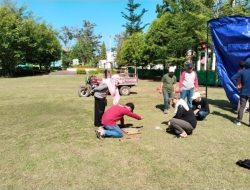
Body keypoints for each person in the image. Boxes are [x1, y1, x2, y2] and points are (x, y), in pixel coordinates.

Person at [231, 57, 250, 126]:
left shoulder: (242, 71)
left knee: (242, 107)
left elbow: (233, 78)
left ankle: (239, 121)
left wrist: (238, 84)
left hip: (243, 92)